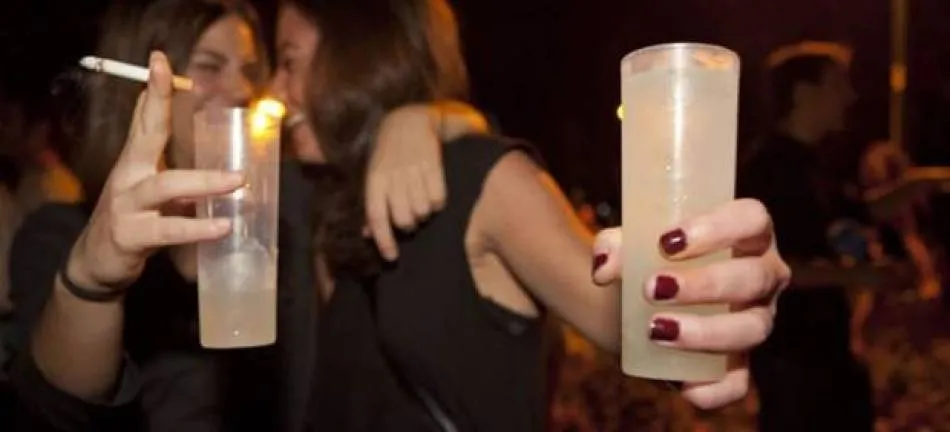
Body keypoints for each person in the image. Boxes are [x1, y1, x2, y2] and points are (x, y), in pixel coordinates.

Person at [273, 0, 788, 430]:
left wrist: (719, 296)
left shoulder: (482, 179)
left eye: (289, 62)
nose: (274, 90)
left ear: (357, 54)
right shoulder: (328, 205)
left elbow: (633, 321)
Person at [5, 0, 490, 430]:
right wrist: (94, 280)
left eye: (252, 69)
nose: (242, 89)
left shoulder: (295, 205)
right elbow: (54, 408)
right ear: (146, 86)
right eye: (210, 66)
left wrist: (423, 119)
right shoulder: (63, 235)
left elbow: (463, 151)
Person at [739, 41, 882, 431]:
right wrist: (859, 276)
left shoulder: (817, 164)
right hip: (793, 366)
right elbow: (766, 267)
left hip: (832, 357)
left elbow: (861, 211)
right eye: (838, 84)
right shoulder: (768, 170)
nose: (850, 96)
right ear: (804, 92)